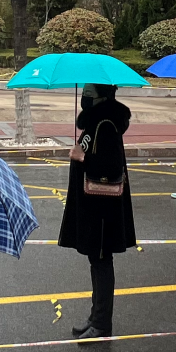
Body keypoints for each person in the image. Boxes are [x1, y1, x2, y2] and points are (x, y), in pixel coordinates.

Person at [58, 83, 135, 338]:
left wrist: (83, 158)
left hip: (102, 210)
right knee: (96, 262)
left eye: (88, 95)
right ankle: (96, 317)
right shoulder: (96, 122)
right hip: (94, 208)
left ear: (102, 98)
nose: (84, 99)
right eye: (83, 95)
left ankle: (102, 323)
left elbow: (111, 167)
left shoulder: (106, 124)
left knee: (102, 263)